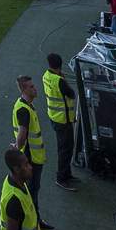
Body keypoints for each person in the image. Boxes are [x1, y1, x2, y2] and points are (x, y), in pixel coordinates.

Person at [10, 76, 54, 230]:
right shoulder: (24, 109)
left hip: (34, 157)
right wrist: (17, 147)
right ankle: (34, 225)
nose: (35, 89)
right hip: (31, 160)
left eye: (33, 86)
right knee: (31, 194)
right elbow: (22, 134)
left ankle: (36, 221)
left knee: (33, 192)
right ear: (23, 90)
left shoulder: (26, 106)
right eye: (30, 87)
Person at [41, 54, 79, 191]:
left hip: (55, 117)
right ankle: (61, 178)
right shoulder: (59, 80)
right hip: (63, 119)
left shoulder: (46, 75)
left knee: (65, 148)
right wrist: (63, 79)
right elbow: (71, 94)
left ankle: (66, 174)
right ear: (60, 64)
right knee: (65, 149)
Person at [0, 147, 44, 230]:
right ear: (17, 169)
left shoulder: (18, 182)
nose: (30, 167)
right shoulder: (14, 201)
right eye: (26, 165)